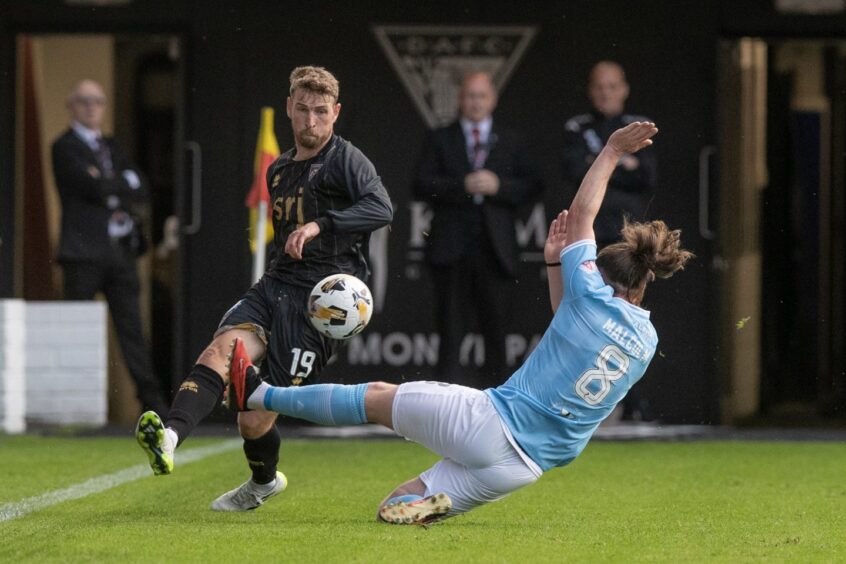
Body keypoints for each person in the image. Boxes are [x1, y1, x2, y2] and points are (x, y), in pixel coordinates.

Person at [225, 122, 693, 524]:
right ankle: (426, 503)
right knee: (393, 504)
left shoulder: (590, 296)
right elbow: (566, 323)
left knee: (376, 398)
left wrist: (610, 150)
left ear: (601, 279)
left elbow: (583, 218)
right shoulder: (647, 339)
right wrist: (555, 267)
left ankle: (261, 393)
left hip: (490, 424)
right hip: (525, 468)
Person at [135, 66, 393, 511]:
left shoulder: (346, 159)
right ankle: (170, 438)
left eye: (321, 112)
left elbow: (381, 207)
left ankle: (263, 483)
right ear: (290, 107)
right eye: (303, 110)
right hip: (276, 284)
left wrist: (320, 224)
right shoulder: (278, 171)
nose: (311, 122)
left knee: (252, 419)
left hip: (322, 305)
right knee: (217, 353)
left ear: (335, 113)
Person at [414, 71, 542, 388]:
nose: (476, 102)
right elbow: (420, 184)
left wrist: (499, 186)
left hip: (496, 251)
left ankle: (498, 402)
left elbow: (534, 185)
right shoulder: (440, 137)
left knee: (496, 332)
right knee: (450, 331)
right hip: (450, 249)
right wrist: (462, 186)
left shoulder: (512, 140)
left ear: (493, 99)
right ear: (460, 99)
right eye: (470, 95)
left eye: (481, 96)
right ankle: (443, 405)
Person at [52, 79, 169, 415]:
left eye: (97, 101)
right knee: (75, 331)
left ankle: (154, 404)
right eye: (84, 100)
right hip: (82, 253)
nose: (91, 107)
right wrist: (117, 184)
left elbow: (141, 186)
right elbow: (88, 185)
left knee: (132, 330)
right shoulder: (64, 147)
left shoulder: (111, 146)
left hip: (119, 253)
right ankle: (73, 404)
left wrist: (108, 185)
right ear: (71, 106)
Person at [563, 61, 657, 248]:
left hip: (631, 231)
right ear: (590, 90)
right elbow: (574, 171)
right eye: (599, 87)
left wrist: (598, 165)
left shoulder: (639, 126)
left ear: (624, 89)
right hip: (589, 231)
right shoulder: (577, 126)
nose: (606, 94)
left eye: (612, 87)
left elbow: (646, 176)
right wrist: (623, 163)